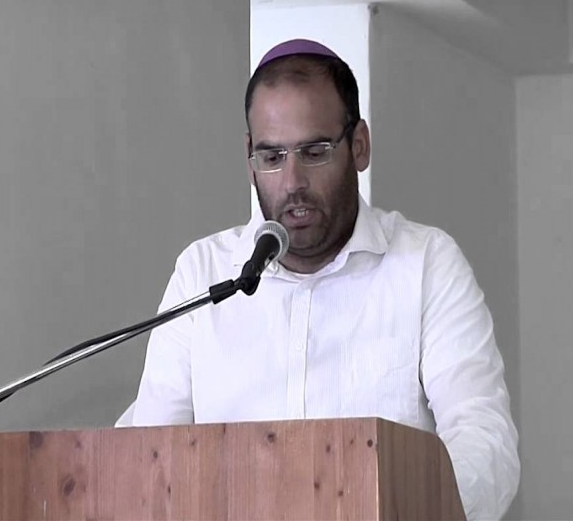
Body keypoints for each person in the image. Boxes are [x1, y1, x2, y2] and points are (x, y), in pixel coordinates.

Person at [121, 38, 520, 520]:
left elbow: (484, 441)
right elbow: (151, 454)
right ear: (249, 159)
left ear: (359, 146)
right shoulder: (202, 275)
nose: (292, 182)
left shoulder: (425, 264)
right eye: (272, 157)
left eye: (314, 151)